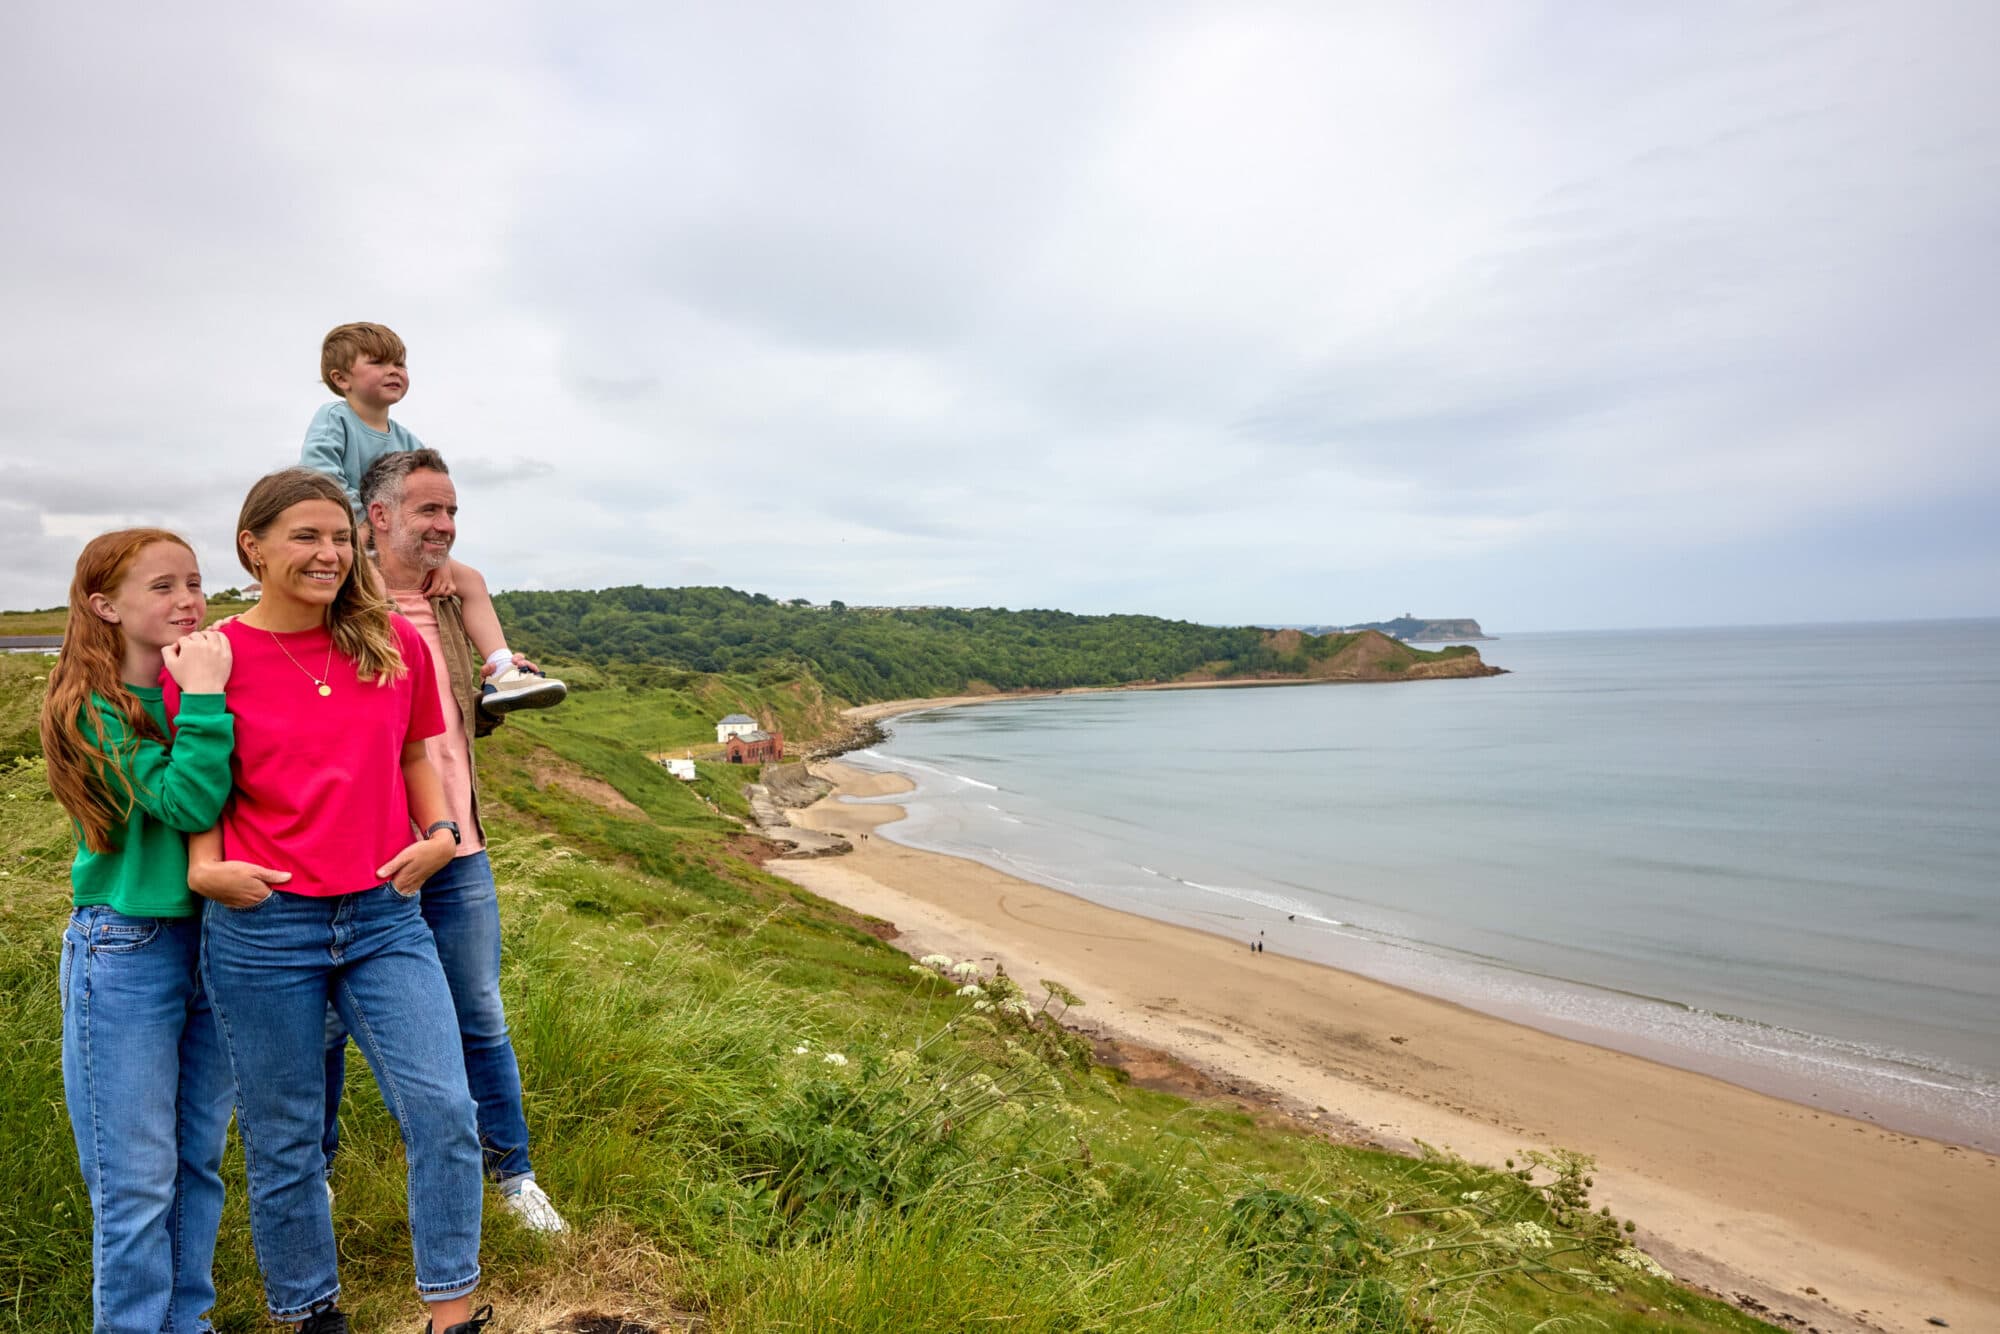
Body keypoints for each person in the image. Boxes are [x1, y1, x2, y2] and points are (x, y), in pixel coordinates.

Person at [178, 468, 490, 1334]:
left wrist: (439, 836)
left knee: (443, 1110)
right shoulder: (211, 659)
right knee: (284, 1141)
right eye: (305, 537)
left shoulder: (391, 642)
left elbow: (415, 756)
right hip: (262, 924)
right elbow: (197, 778)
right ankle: (312, 1316)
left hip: (387, 912)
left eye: (340, 537)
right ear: (254, 547)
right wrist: (206, 867)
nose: (329, 553)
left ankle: (452, 1314)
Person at [319, 447, 566, 1233]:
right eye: (430, 510)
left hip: (457, 846)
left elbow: (460, 722)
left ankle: (513, 1178)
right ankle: (315, 1176)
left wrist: (500, 678)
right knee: (324, 1024)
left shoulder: (454, 599)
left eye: (453, 511)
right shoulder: (334, 601)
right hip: (361, 855)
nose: (446, 526)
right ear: (379, 517)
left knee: (479, 1014)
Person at [40, 529, 240, 1334]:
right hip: (125, 949)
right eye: (162, 587)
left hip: (217, 943)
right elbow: (188, 805)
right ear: (104, 605)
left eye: (194, 583)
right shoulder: (89, 708)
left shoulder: (201, 683)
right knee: (135, 1179)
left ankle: (185, 1321)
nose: (188, 601)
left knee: (198, 1162)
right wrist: (202, 701)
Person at [298, 320, 564, 719]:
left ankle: (502, 667)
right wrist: (358, 519)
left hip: (399, 539)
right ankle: (381, 671)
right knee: (369, 586)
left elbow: (429, 498)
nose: (395, 371)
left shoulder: (408, 439)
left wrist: (438, 560)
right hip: (348, 535)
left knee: (470, 580)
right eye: (379, 362)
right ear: (342, 378)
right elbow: (319, 473)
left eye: (400, 363)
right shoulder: (333, 419)